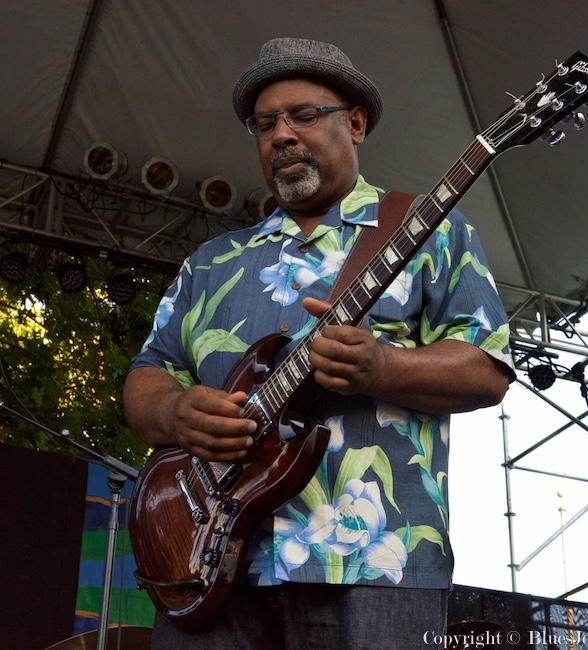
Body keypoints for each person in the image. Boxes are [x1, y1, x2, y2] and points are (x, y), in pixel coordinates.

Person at [124, 37, 514, 649]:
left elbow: (488, 369)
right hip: (207, 564)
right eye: (265, 124)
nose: (281, 134)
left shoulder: (435, 232)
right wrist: (175, 411)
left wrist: (381, 367)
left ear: (355, 124)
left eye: (304, 115)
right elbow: (148, 374)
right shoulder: (212, 263)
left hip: (378, 566)